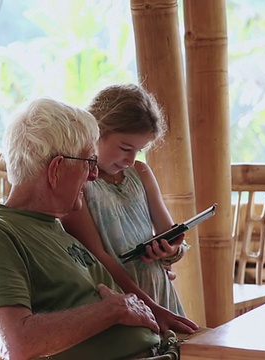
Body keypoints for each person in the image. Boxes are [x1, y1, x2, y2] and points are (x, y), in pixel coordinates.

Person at [0, 98, 174, 360]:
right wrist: (113, 310)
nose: (94, 175)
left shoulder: (56, 228)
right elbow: (18, 344)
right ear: (56, 169)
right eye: (88, 162)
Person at [60, 84, 199, 335]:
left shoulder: (141, 173)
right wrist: (149, 306)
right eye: (125, 148)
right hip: (120, 300)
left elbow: (171, 235)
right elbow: (98, 257)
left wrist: (169, 250)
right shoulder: (79, 184)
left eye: (139, 150)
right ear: (96, 131)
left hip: (160, 294)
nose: (131, 160)